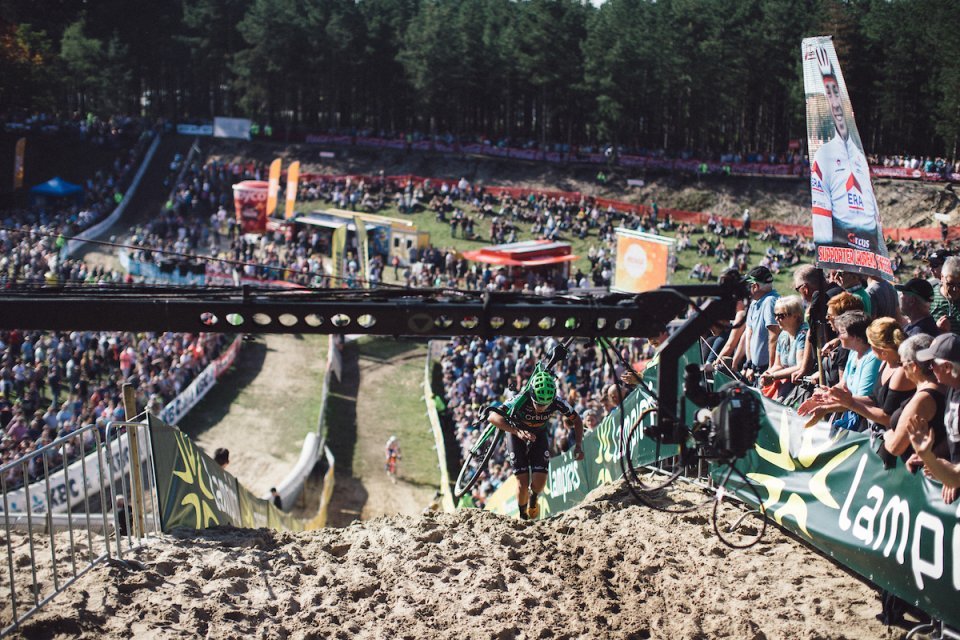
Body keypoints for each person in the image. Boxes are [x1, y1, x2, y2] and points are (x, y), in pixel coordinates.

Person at [487, 369, 585, 521]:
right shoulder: (520, 398)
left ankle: (534, 498)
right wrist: (517, 431)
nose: (541, 408)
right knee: (522, 482)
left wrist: (579, 445)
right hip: (516, 433)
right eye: (538, 403)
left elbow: (577, 419)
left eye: (546, 405)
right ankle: (523, 516)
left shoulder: (557, 402)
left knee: (540, 481)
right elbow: (493, 417)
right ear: (531, 395)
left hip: (538, 435)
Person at [809, 47, 881, 251]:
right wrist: (826, 248)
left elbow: (872, 205)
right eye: (830, 96)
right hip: (841, 236)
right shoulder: (824, 153)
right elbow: (821, 202)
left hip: (867, 238)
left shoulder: (858, 155)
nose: (837, 107)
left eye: (837, 96)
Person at [733, 266, 780, 379]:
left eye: (747, 286)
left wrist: (771, 368)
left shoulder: (770, 302)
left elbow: (774, 336)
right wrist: (747, 364)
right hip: (755, 368)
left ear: (755, 286)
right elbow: (748, 334)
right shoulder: (754, 302)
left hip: (766, 370)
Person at [757, 295, 807, 402]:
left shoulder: (803, 334)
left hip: (801, 384)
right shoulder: (783, 335)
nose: (776, 319)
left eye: (781, 316)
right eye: (775, 315)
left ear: (796, 316)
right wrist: (767, 374)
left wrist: (773, 376)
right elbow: (778, 365)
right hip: (785, 382)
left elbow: (800, 366)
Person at [930, 256, 960, 334]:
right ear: (942, 277)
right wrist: (936, 329)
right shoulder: (929, 297)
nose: (955, 289)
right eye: (950, 284)